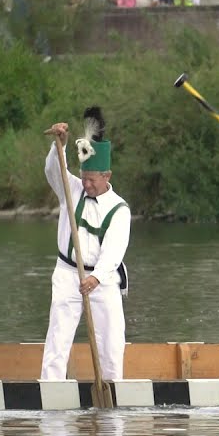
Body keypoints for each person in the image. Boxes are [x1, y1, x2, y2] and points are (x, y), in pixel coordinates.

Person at [40, 109, 130, 381]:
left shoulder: (119, 209)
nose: (87, 184)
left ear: (107, 176)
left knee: (111, 340)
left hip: (103, 279)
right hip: (67, 274)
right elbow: (55, 171)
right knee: (58, 335)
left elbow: (114, 251)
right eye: (84, 176)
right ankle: (51, 387)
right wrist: (61, 145)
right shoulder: (72, 189)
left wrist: (95, 278)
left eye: (92, 179)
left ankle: (113, 387)